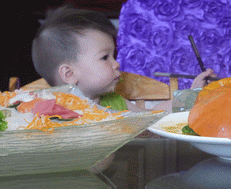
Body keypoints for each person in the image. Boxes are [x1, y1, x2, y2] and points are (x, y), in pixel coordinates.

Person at [31, 4, 215, 174]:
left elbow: (153, 115)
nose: (116, 63)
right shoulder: (47, 113)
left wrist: (194, 93)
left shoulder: (115, 102)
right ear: (69, 73)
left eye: (114, 55)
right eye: (105, 57)